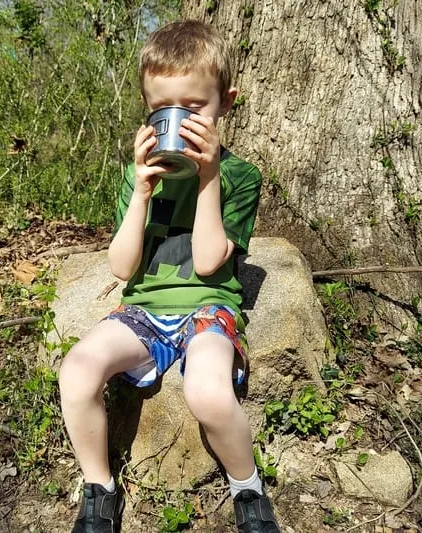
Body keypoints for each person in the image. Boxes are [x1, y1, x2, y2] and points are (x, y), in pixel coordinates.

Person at [58, 19, 280, 533]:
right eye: (162, 112)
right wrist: (139, 192)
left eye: (194, 108)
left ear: (226, 103)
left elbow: (208, 263)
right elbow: (121, 267)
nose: (177, 123)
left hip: (208, 308)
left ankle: (247, 488)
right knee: (77, 371)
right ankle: (98, 488)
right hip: (144, 310)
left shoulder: (238, 177)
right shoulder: (138, 180)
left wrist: (206, 178)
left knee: (206, 391)